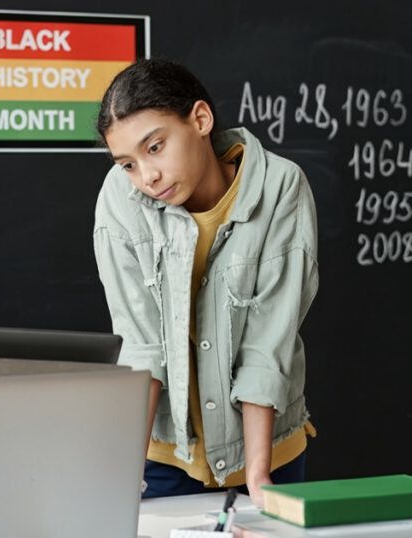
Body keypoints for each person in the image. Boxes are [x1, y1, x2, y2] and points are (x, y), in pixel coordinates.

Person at [92, 59, 318, 507]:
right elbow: (141, 346)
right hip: (165, 458)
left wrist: (257, 474)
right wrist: (125, 477)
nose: (146, 176)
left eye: (155, 147)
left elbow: (267, 343)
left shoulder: (280, 188)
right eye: (128, 164)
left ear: (200, 119)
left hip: (268, 448)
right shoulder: (120, 199)